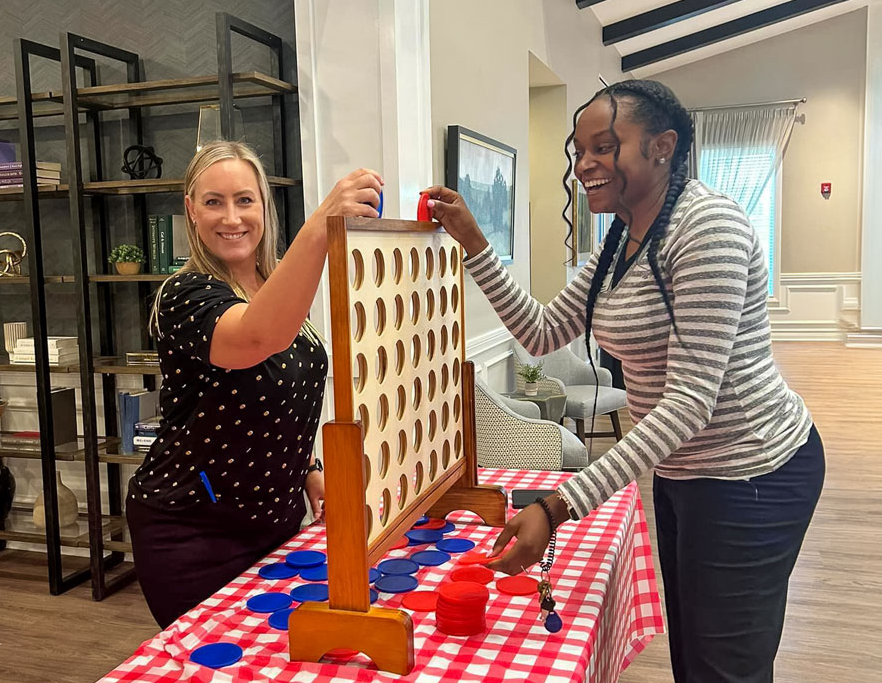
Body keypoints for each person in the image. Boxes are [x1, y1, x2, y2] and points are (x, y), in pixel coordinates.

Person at [425, 80, 823, 683]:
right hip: (684, 471)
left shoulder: (705, 226)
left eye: (605, 147)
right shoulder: (619, 241)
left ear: (663, 146)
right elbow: (540, 332)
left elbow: (689, 403)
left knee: (725, 665)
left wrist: (559, 505)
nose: (585, 164)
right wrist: (477, 244)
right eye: (579, 150)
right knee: (694, 650)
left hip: (754, 474)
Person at [126, 140, 382, 628]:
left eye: (245, 200)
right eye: (213, 202)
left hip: (275, 523)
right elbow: (257, 338)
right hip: (193, 530)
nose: (232, 217)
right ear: (190, 211)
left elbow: (278, 398)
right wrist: (322, 223)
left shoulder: (273, 283)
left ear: (264, 205)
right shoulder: (184, 294)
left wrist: (309, 469)